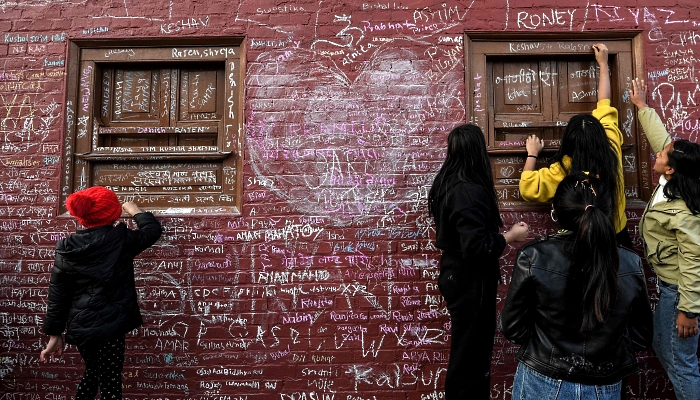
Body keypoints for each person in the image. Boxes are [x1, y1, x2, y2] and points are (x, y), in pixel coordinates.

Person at [500, 172, 653, 399]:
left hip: (542, 378)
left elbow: (512, 328)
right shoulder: (630, 262)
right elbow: (641, 337)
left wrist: (548, 343)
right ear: (608, 211)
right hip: (606, 384)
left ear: (556, 210)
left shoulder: (534, 256)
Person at [428, 124, 529, 399]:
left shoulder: (446, 181)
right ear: (477, 151)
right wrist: (510, 236)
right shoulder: (469, 190)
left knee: (466, 353)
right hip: (471, 280)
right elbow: (476, 248)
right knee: (472, 358)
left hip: (455, 275)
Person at [40, 186, 162, 400]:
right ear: (112, 213)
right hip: (112, 326)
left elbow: (57, 295)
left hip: (82, 327)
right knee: (110, 381)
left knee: (93, 373)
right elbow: (151, 232)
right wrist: (136, 211)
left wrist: (54, 334)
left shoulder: (67, 248)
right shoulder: (121, 241)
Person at [519, 43, 633, 249]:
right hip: (618, 239)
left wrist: (532, 154)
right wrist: (604, 64)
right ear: (600, 135)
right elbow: (604, 103)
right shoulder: (612, 148)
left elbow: (527, 188)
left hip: (580, 244)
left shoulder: (562, 170)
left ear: (568, 142)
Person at [629, 78, 700, 400]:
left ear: (671, 169)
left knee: (681, 362)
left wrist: (689, 310)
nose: (659, 150)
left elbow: (694, 261)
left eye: (664, 153)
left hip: (680, 294)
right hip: (672, 289)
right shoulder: (671, 182)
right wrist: (643, 107)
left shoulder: (683, 210)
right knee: (665, 346)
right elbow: (662, 138)